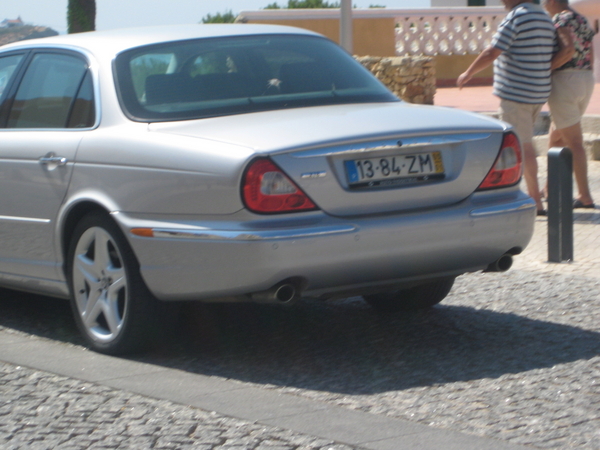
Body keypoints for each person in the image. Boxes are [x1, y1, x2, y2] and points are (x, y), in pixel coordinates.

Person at [457, 0, 556, 216]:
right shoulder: (543, 16)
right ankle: (530, 195)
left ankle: (535, 202)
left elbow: (492, 51)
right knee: (525, 142)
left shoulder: (517, 16)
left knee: (524, 145)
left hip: (517, 92)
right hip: (538, 90)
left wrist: (469, 73)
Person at [543, 0, 595, 209]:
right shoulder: (581, 18)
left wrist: (545, 69)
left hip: (565, 81)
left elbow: (567, 51)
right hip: (585, 79)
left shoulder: (560, 19)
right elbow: (588, 52)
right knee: (556, 136)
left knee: (574, 142)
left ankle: (585, 196)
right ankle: (548, 187)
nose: (543, 4)